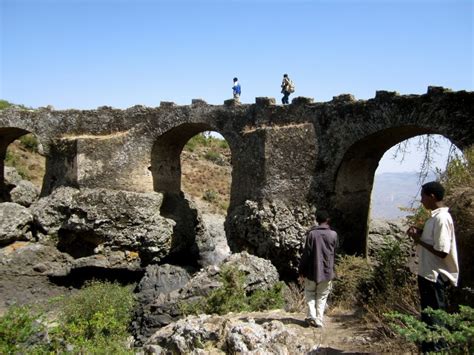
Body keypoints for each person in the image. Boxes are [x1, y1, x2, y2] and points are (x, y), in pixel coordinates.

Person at [406, 181, 459, 353]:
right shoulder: (435, 218)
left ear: (432, 196)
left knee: (435, 320)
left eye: (423, 196)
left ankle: (437, 350)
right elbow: (435, 242)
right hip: (428, 275)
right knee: (429, 318)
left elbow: (442, 251)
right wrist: (420, 233)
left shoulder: (442, 219)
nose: (421, 200)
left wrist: (418, 240)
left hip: (434, 276)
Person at [298, 210, 338, 328]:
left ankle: (312, 316)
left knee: (310, 293)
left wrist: (301, 270)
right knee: (322, 296)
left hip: (312, 271)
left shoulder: (311, 234)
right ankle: (319, 319)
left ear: (317, 220)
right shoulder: (334, 235)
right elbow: (334, 253)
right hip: (327, 271)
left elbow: (306, 254)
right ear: (328, 220)